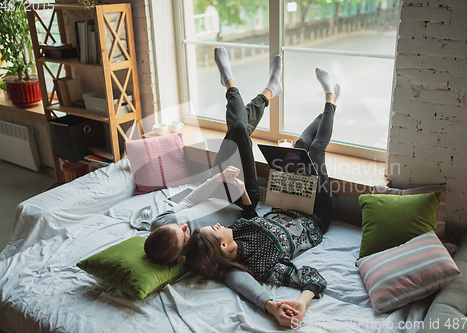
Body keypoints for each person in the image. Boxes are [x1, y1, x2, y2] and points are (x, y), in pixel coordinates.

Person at [144, 47, 300, 325]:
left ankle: (245, 85)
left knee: (237, 130)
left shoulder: (162, 225)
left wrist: (216, 179)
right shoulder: (201, 257)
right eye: (184, 235)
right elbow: (237, 278)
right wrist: (269, 305)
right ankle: (250, 87)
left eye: (176, 226)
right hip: (242, 198)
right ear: (180, 257)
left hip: (218, 185)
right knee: (239, 129)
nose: (184, 226)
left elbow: (190, 202)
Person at [184, 66, 340, 325]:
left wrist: (242, 188)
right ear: (223, 246)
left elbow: (248, 213)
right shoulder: (261, 267)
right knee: (317, 151)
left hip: (290, 201)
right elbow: (311, 276)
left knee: (301, 147)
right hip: (315, 218)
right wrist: (301, 302)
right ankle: (330, 99)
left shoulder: (238, 230)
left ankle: (329, 106)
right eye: (214, 228)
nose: (218, 223)